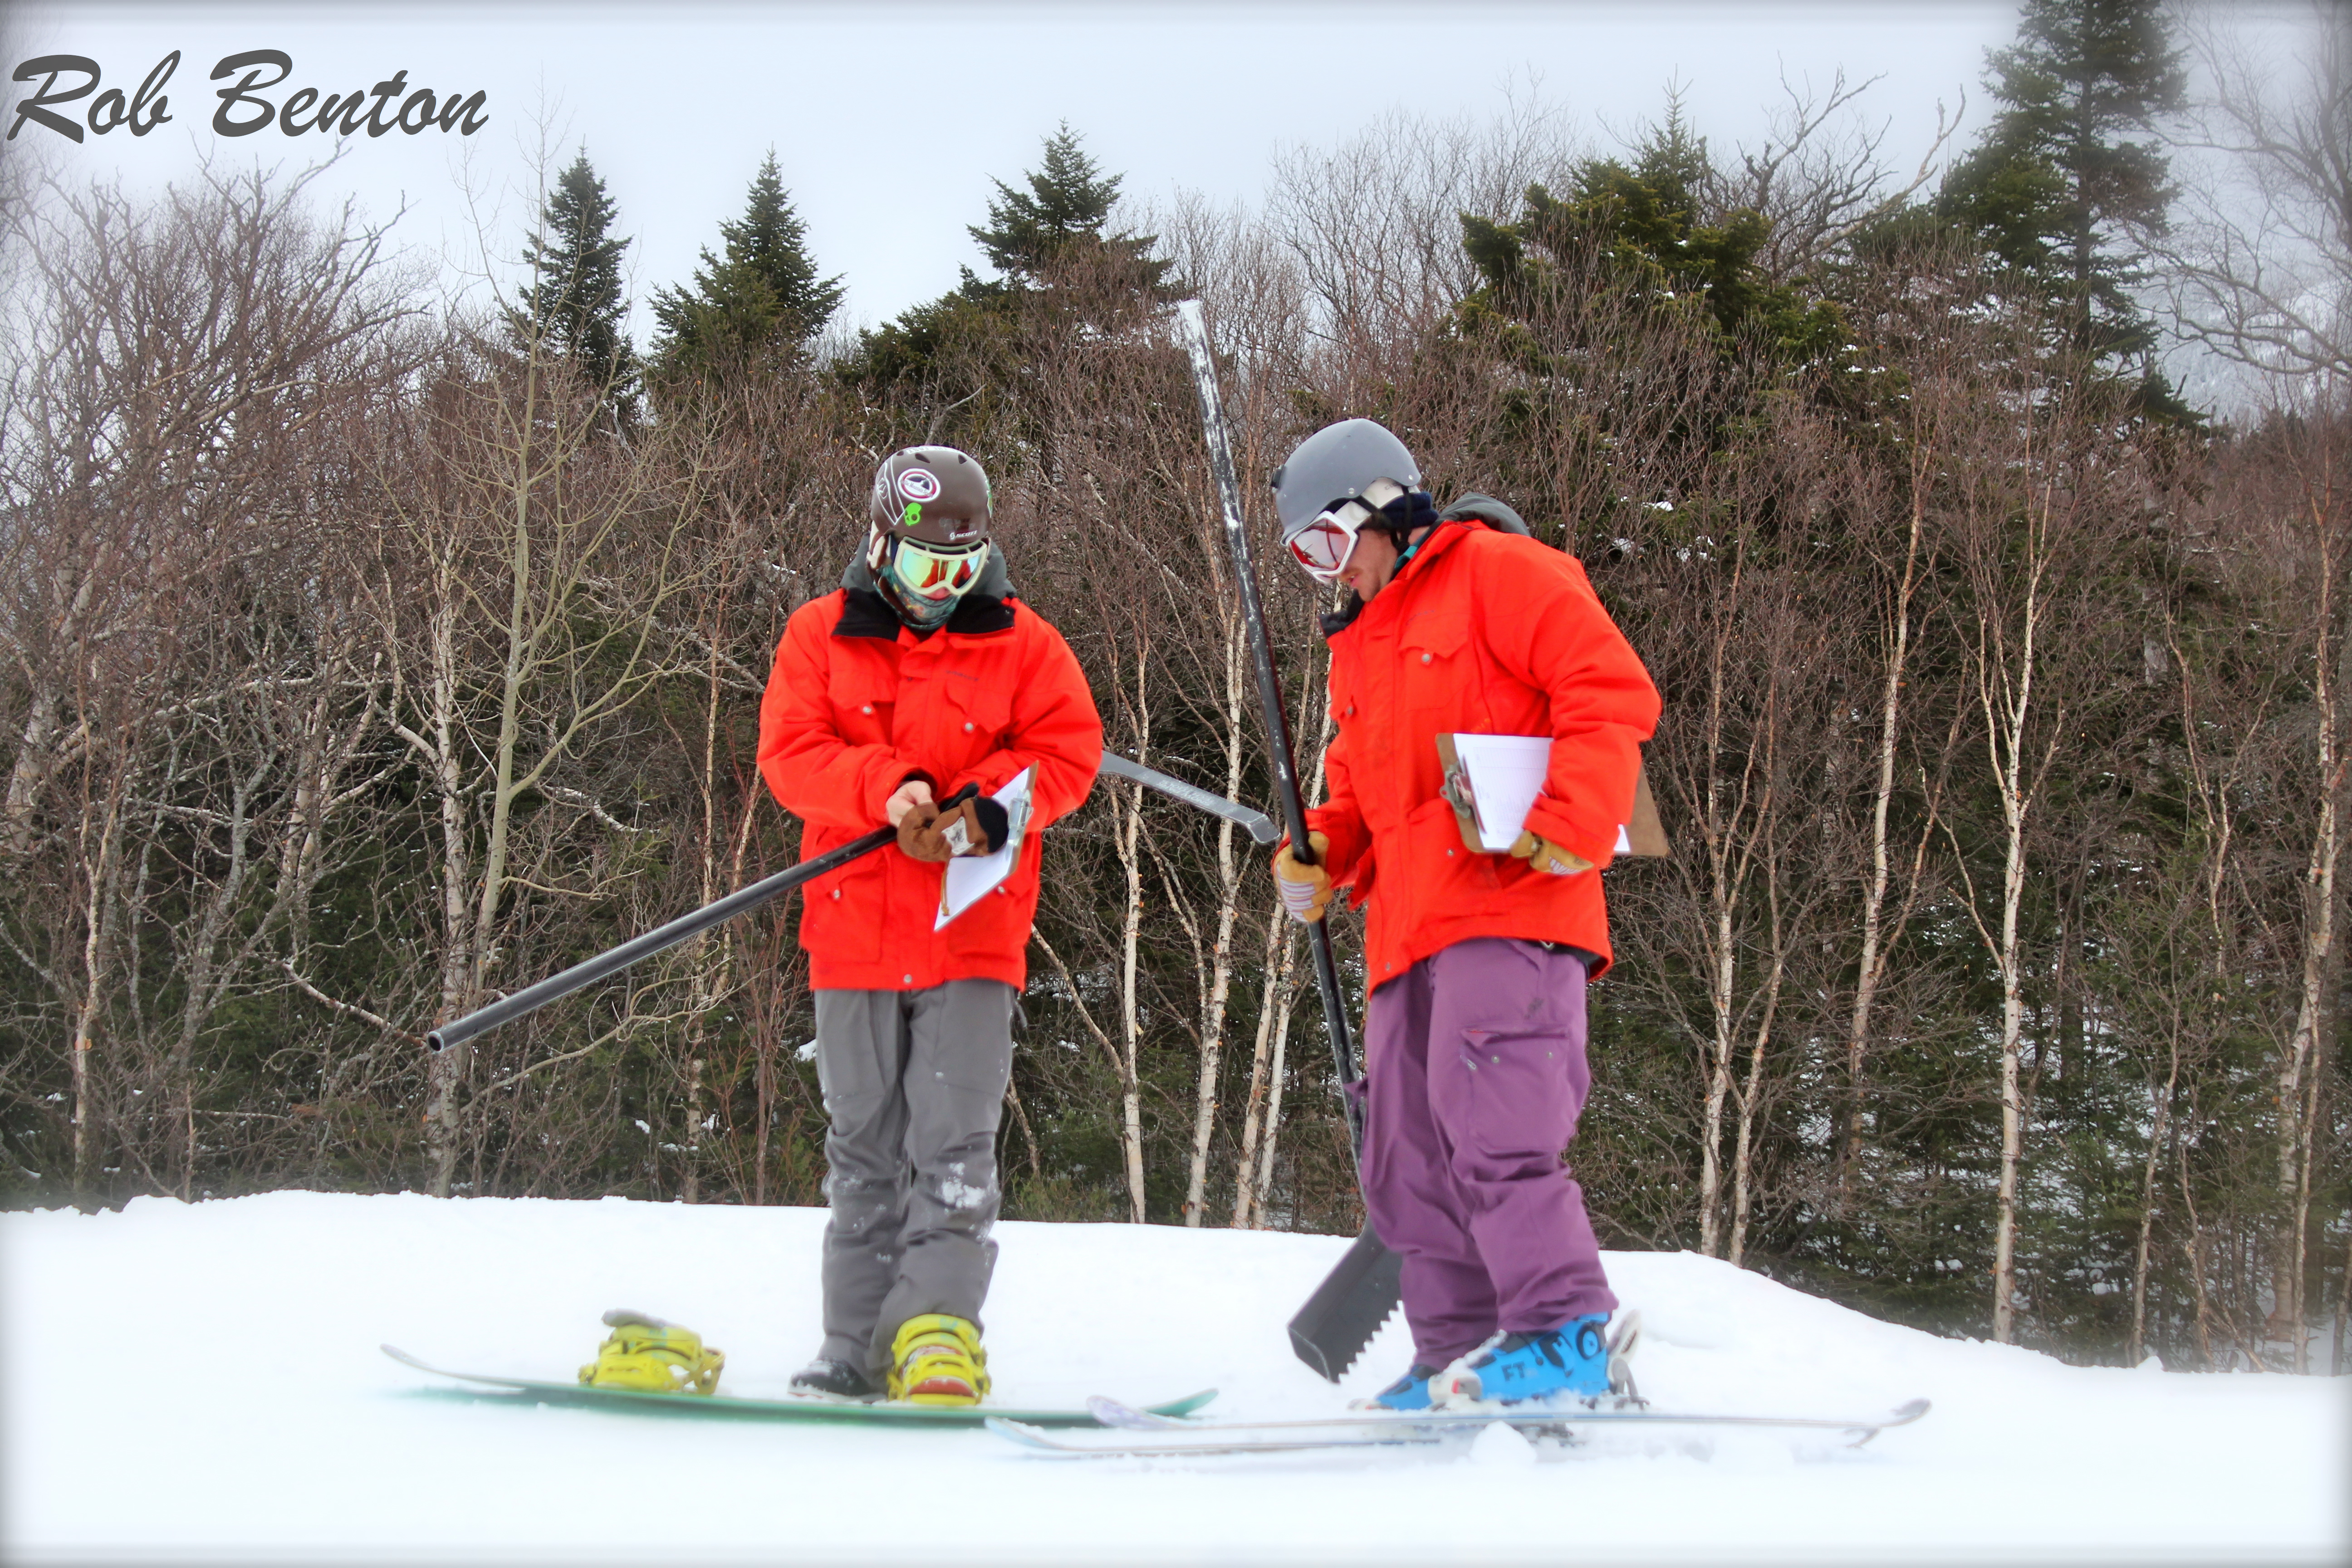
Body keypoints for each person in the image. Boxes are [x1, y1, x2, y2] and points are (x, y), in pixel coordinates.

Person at [1266, 419, 1661, 1410]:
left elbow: (1608, 689)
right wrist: (1317, 854)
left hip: (1511, 905)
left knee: (1493, 1124)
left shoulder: (1503, 572)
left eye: (1326, 546)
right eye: (1303, 561)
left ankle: (1566, 1330)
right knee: (1404, 1157)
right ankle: (1459, 1356)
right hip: (1405, 933)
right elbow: (1356, 796)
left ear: (1379, 509)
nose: (1328, 577)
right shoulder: (1356, 650)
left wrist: (1576, 814)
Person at [758, 445, 1102, 1405]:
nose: (942, 590)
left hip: (972, 936)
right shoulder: (817, 636)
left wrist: (993, 809)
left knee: (953, 1147)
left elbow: (1069, 751)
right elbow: (791, 756)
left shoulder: (1025, 641)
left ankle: (937, 1337)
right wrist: (887, 788)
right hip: (853, 936)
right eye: (922, 569)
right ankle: (853, 1347)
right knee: (862, 1145)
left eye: (961, 569)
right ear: (880, 546)